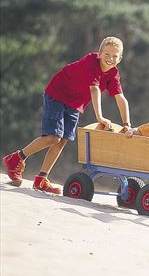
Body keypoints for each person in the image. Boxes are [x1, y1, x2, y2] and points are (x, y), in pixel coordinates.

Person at [2, 36, 132, 194]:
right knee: (53, 137)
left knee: (62, 140)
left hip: (75, 104)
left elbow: (120, 98)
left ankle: (41, 179)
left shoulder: (113, 74)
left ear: (120, 58)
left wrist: (127, 125)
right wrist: (100, 117)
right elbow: (94, 89)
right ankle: (16, 158)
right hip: (57, 94)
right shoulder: (91, 62)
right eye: (106, 54)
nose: (110, 59)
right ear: (99, 53)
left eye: (114, 56)